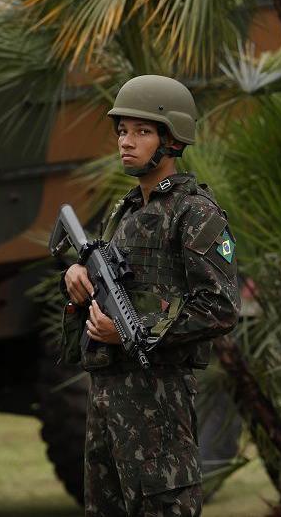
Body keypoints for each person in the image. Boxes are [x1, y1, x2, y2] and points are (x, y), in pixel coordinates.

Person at [62, 74, 241, 517]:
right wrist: (78, 283)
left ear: (172, 139)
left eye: (142, 131)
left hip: (158, 401)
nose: (127, 141)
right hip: (107, 399)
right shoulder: (124, 211)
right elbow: (108, 294)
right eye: (122, 130)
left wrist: (131, 333)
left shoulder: (194, 212)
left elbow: (219, 307)